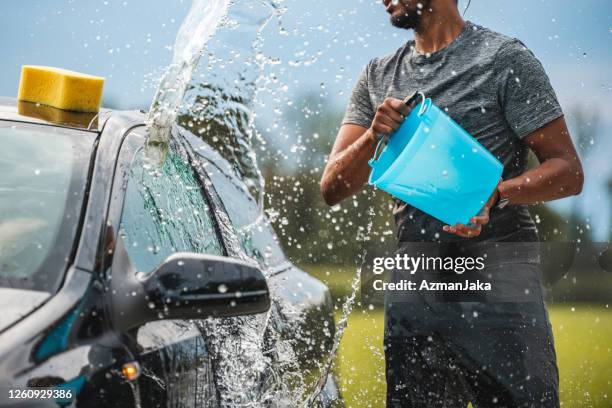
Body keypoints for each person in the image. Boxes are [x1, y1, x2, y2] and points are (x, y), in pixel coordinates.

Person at [320, 0, 584, 406]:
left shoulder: (503, 59)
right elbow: (332, 187)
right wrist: (374, 135)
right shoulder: (378, 75)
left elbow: (568, 171)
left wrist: (496, 195)